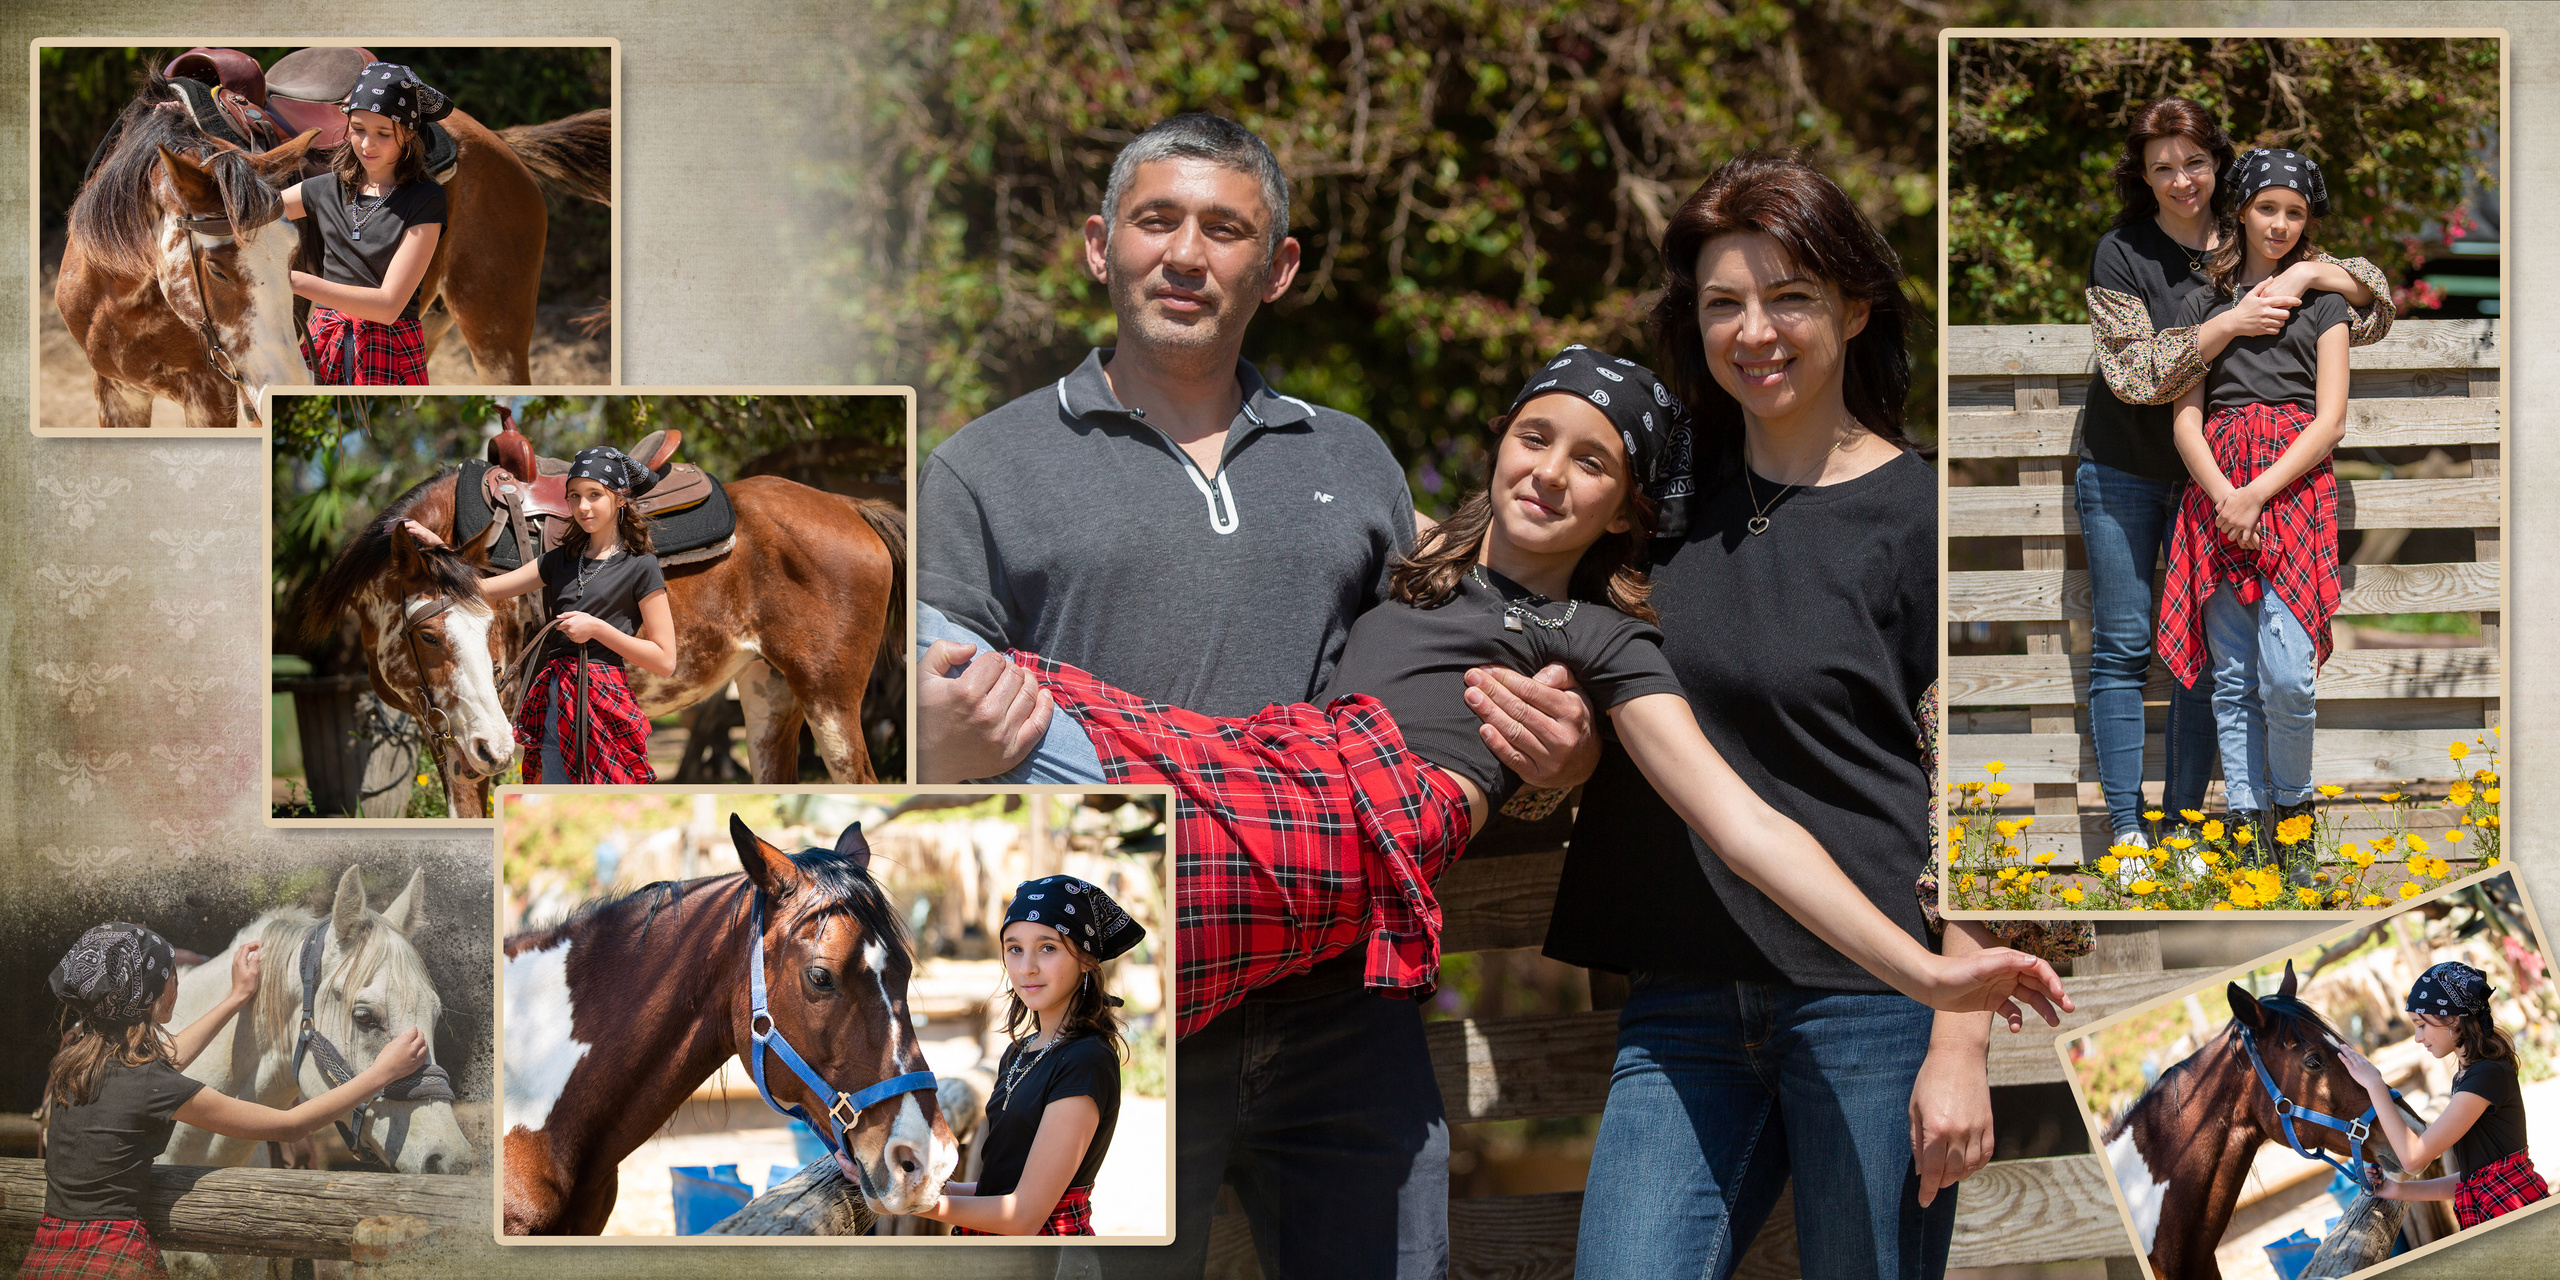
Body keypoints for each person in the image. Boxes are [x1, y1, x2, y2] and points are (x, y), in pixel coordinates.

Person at [917, 113, 1593, 1278]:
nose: (1186, 253)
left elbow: (1442, 694)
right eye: (1155, 221)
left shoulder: (1355, 461)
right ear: (1098, 245)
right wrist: (931, 734)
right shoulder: (983, 467)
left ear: (1274, 267)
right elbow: (921, 728)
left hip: (1350, 1004)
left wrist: (1562, 759)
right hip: (1126, 1014)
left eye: (1224, 229)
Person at [955, 348, 2069, 1046]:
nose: (1548, 470)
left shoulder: (1599, 642)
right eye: (1535, 436)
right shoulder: (1408, 562)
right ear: (1500, 440)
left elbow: (1743, 822)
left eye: (1591, 463)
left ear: (1626, 510)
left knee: (1088, 830)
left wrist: (1925, 969)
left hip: (1359, 826)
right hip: (1272, 771)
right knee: (1005, 684)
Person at [1487, 151, 1976, 1279]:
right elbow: (1562, 656)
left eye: (1789, 294)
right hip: (1681, 1002)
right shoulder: (1653, 504)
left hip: (1875, 1000)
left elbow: (1986, 793)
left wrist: (1955, 1043)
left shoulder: (1929, 516)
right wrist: (1560, 757)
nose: (1754, 329)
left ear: (1855, 307)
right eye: (1722, 303)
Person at [2073, 98, 2391, 848]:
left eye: (2194, 163)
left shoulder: (2253, 227)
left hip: (2226, 483)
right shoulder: (2121, 251)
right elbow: (2134, 373)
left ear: (2220, 167)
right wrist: (2229, 322)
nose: (2181, 179)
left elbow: (2372, 304)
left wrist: (2312, 269)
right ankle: (2126, 834)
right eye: (2162, 168)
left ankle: (2185, 826)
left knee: (2205, 658)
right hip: (2127, 465)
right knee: (2124, 645)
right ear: (2142, 177)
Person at [20, 924, 427, 1280]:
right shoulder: (152, 1085)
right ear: (149, 996)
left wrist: (235, 997)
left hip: (50, 1250)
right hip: (115, 1259)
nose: (177, 982)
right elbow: (289, 1125)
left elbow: (165, 1059)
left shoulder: (73, 1063)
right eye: (170, 975)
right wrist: (380, 1073)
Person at [2155, 148, 2350, 858]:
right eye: (2268, 208)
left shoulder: (2324, 302)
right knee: (2230, 675)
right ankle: (2245, 826)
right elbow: (2185, 420)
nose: (2280, 224)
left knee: (2288, 673)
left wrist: (2258, 495)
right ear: (2241, 209)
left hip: (2293, 489)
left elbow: (2329, 420)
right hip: (2218, 488)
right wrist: (2224, 498)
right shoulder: (2203, 305)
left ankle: (2293, 821)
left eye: (2295, 213)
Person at [402, 446, 677, 782]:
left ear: (620, 499)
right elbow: (483, 588)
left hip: (606, 700)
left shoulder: (641, 565)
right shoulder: (559, 560)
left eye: (595, 495)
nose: (583, 506)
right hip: (554, 697)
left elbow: (665, 660)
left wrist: (598, 629)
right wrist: (439, 549)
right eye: (574, 496)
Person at [919, 876, 1144, 1236]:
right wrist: (905, 1188)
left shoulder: (1086, 1060)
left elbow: (1024, 1215)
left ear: (1086, 957)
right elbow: (999, 1190)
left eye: (1048, 948)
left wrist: (916, 1203)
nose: (1027, 968)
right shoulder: (1019, 1053)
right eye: (1014, 948)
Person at [279, 61, 450, 384]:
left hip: (390, 349)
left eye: (383, 133)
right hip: (325, 341)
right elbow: (251, 214)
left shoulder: (426, 198)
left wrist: (293, 281)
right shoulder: (323, 189)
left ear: (409, 134)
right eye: (358, 129)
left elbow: (388, 306)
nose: (367, 145)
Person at [2343, 961, 2548, 1228]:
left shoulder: (2487, 1075)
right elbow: (2474, 1178)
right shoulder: (2469, 1077)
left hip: (2514, 1210)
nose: (2418, 1037)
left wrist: (2374, 1084)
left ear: (2453, 1018)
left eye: (2421, 1025)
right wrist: (2398, 1190)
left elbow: (2413, 1156)